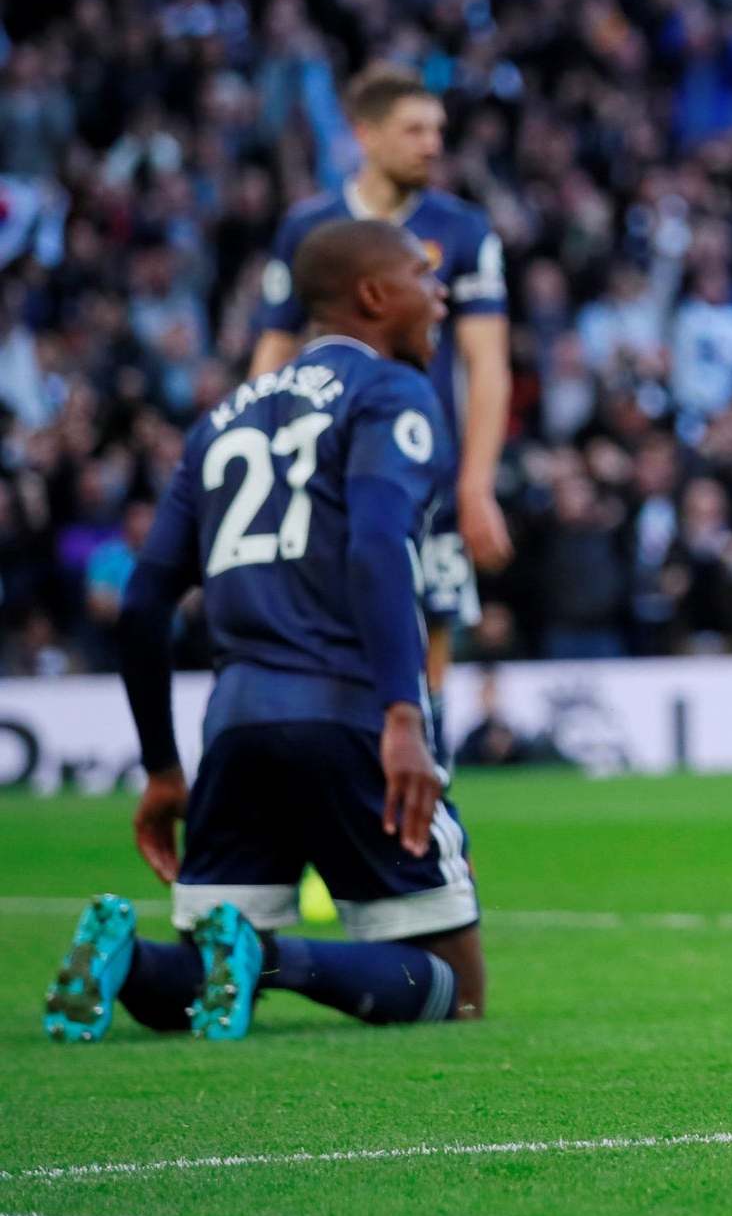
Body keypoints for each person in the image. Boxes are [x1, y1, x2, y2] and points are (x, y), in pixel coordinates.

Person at [42, 218, 486, 1041]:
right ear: (373, 295)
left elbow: (143, 603)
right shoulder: (389, 392)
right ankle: (271, 955)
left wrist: (162, 768)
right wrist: (401, 713)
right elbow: (377, 544)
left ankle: (129, 961)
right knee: (456, 991)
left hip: (237, 725)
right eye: (424, 279)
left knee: (204, 968)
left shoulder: (221, 420)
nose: (441, 295)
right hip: (351, 713)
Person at [251, 64, 512, 737]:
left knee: (429, 647)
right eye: (414, 130)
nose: (432, 144)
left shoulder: (462, 229)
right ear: (365, 135)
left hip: (426, 472)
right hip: (324, 471)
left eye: (437, 131)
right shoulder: (311, 228)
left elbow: (487, 363)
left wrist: (476, 482)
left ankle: (426, 809)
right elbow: (273, 351)